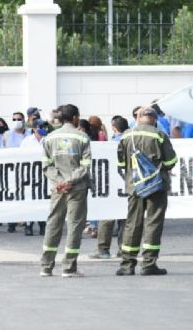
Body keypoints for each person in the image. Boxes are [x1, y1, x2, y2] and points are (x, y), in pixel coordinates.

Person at [116, 107, 177, 276]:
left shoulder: (127, 135)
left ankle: (127, 265)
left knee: (132, 224)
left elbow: (121, 164)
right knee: (153, 223)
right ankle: (149, 264)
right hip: (156, 186)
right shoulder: (159, 135)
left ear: (138, 118)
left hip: (134, 186)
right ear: (154, 119)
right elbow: (171, 160)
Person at [39, 104, 92, 277]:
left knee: (53, 224)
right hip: (77, 188)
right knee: (74, 225)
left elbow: (46, 166)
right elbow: (85, 166)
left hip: (58, 188)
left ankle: (46, 267)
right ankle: (69, 268)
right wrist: (69, 181)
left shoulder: (49, 138)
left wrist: (60, 182)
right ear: (75, 117)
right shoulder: (83, 138)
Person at [90, 115, 128, 259]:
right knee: (125, 219)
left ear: (114, 128)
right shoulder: (130, 142)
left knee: (106, 218)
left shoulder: (109, 144)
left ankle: (103, 250)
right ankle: (124, 250)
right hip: (126, 185)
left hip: (110, 185)